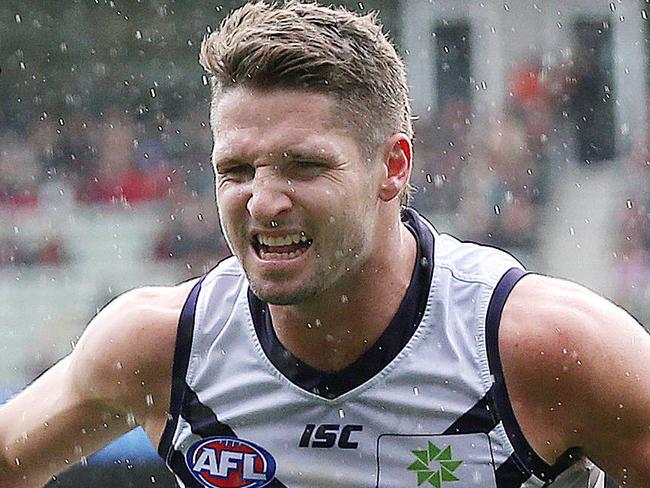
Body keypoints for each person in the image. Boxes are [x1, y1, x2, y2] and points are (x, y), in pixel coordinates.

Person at [1, 2, 649, 487]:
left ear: (393, 167)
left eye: (303, 166)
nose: (263, 201)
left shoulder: (542, 346)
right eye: (237, 171)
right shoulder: (161, 345)